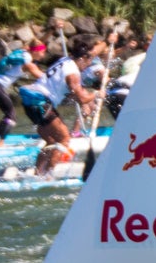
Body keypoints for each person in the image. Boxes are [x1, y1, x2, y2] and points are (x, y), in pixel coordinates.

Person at [17, 36, 98, 175]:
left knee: (51, 140)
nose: (88, 65)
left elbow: (70, 92)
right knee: (64, 139)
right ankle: (49, 176)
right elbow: (82, 98)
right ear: (82, 58)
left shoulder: (64, 60)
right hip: (40, 100)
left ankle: (38, 174)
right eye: (89, 61)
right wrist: (97, 94)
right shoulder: (73, 73)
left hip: (29, 100)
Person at [0, 40, 40, 145]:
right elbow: (37, 73)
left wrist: (51, 31)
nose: (43, 55)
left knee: (9, 114)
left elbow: (37, 43)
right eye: (42, 52)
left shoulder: (23, 52)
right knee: (11, 116)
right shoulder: (27, 59)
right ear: (36, 51)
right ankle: (0, 143)